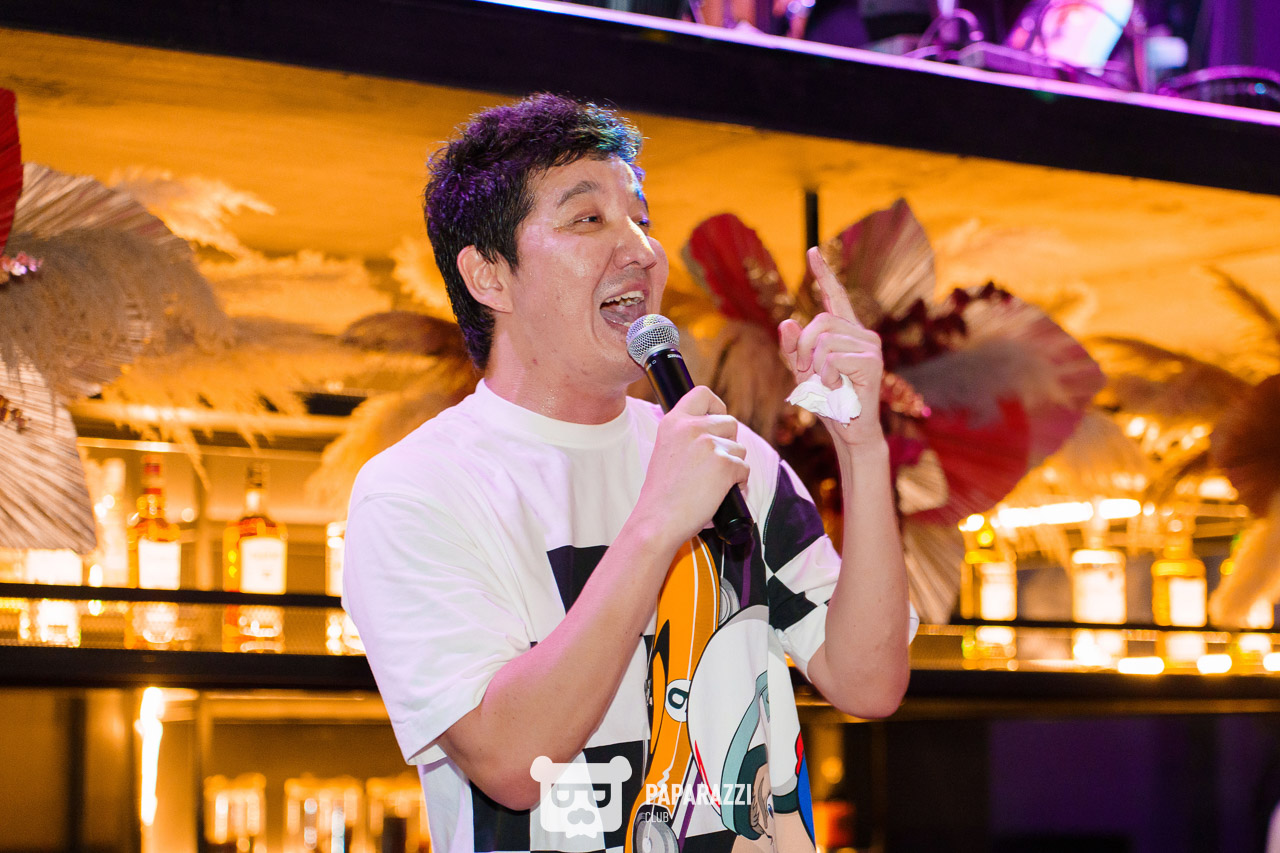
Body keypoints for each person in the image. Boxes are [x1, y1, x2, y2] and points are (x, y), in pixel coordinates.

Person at [342, 93, 915, 853]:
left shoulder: (728, 452)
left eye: (641, 217)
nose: (641, 249)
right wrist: (655, 523)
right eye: (588, 219)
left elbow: (869, 682)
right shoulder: (416, 490)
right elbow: (511, 761)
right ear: (489, 276)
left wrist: (863, 448)